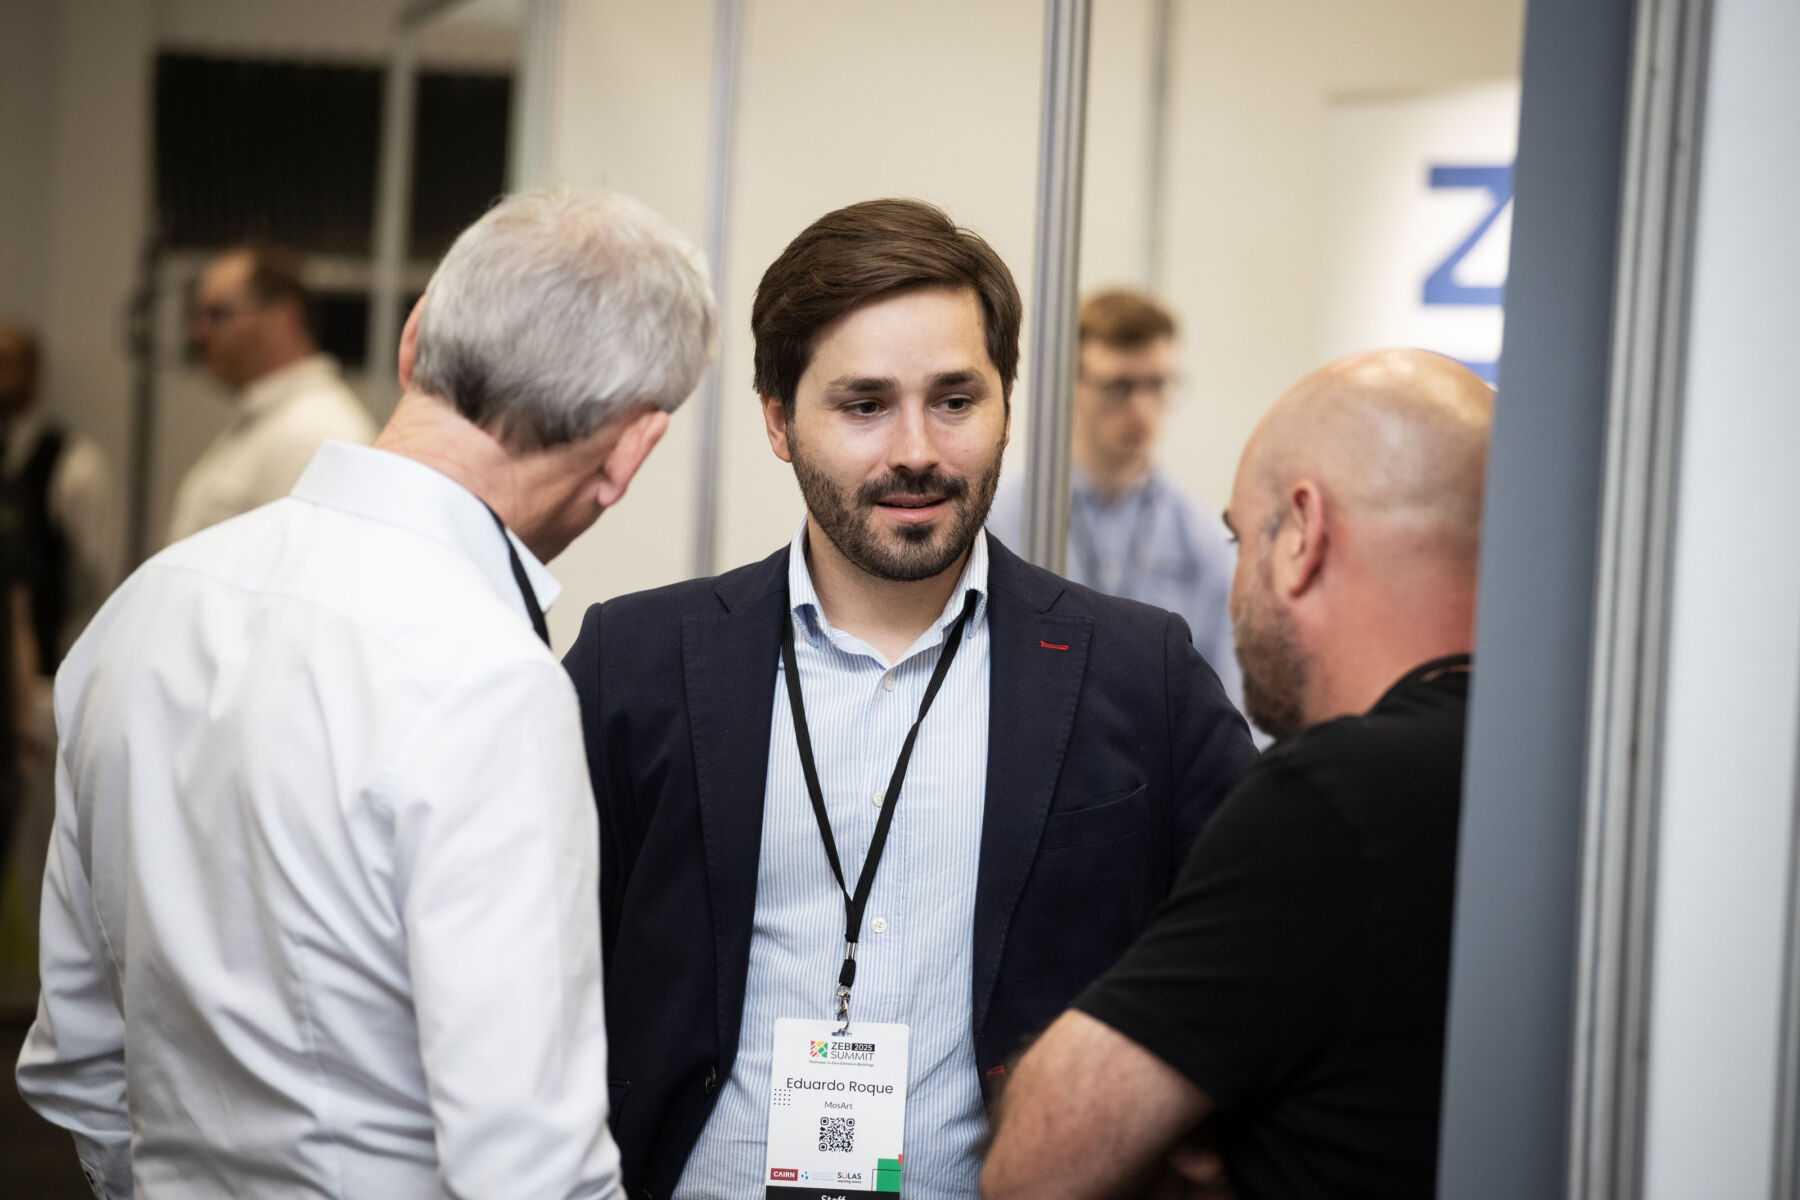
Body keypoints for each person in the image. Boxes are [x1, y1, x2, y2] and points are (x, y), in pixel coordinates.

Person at [16, 189, 718, 1200]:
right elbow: (527, 1163)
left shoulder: (144, 608)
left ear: (411, 339)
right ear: (629, 453)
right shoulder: (492, 678)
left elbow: (76, 1065)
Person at [564, 198, 1254, 1200]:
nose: (917, 451)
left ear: (1007, 405)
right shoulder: (639, 663)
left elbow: (1248, 964)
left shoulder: (1137, 673)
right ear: (776, 419)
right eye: (863, 405)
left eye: (955, 400)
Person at [981, 348, 1492, 1200]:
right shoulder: (1571, 785)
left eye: (1239, 538)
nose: (1230, 590)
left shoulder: (1325, 803)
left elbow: (1036, 1167)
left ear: (1301, 534)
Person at [986, 288, 1244, 711]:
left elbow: (1228, 700)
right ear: (1073, 385)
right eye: (1120, 387)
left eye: (1157, 385)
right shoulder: (1004, 516)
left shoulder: (1202, 538)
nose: (1142, 409)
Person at [166, 242, 376, 543]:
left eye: (217, 315)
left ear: (285, 317)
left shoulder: (318, 433)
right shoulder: (273, 420)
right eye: (196, 316)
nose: (197, 333)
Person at [0, 321, 124, 675]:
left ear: (35, 371)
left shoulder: (75, 464)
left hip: (42, 667)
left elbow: (99, 580)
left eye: (8, 360)